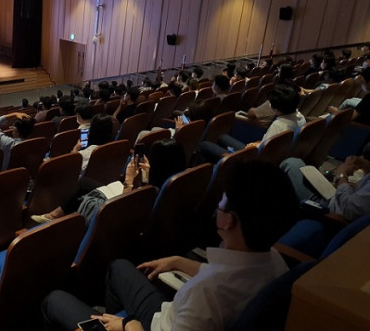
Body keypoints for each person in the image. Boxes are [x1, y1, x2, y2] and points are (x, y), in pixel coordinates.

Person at [42, 161, 298, 331]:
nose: (216, 210)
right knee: (118, 267)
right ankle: (108, 318)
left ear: (230, 220)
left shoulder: (206, 295)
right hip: (165, 317)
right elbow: (227, 276)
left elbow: (214, 287)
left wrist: (128, 325)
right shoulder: (273, 259)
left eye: (221, 204)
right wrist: (178, 261)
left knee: (53, 300)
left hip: (147, 328)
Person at [201, 83, 305, 161]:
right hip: (263, 151)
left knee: (205, 145)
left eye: (272, 104)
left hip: (252, 159)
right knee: (222, 137)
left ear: (278, 109)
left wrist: (251, 148)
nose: (270, 106)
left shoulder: (278, 126)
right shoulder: (300, 116)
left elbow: (263, 153)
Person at [281, 146, 370, 222]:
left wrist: (341, 176)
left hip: (326, 210)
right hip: (334, 198)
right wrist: (367, 166)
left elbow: (350, 210)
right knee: (301, 166)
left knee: (291, 163)